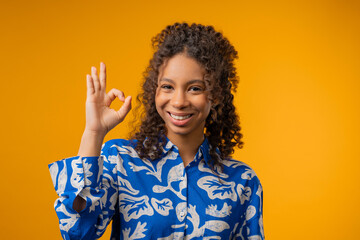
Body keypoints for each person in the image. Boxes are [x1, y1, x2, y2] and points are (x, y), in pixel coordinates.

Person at [49, 22, 264, 240]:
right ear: (154, 90)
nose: (179, 101)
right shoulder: (121, 160)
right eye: (167, 87)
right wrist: (93, 133)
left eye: (195, 88)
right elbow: (76, 232)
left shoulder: (242, 181)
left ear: (215, 95)